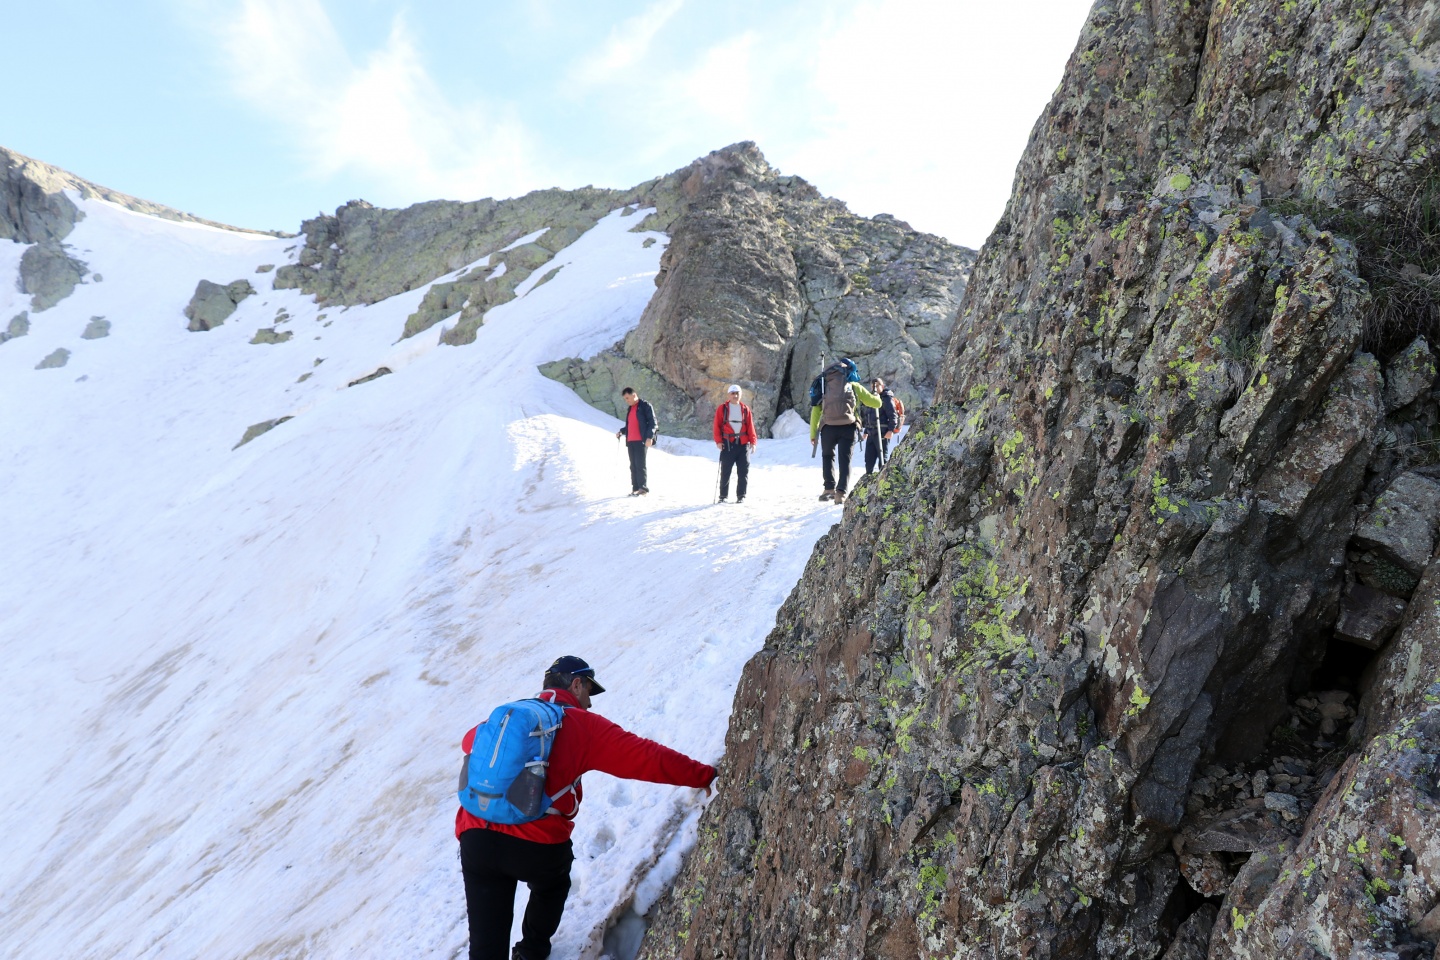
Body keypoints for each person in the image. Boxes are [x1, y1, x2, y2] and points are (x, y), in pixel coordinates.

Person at [456, 656, 716, 960]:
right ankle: (531, 950)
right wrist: (702, 775)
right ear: (575, 684)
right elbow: (645, 757)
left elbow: (467, 743)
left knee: (485, 945)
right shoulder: (580, 725)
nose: (590, 704)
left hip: (476, 836)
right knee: (552, 883)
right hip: (535, 845)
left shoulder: (506, 716)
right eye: (589, 692)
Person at [808, 358, 881, 505]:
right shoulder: (853, 385)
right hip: (848, 426)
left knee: (828, 456)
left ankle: (828, 489)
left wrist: (813, 434)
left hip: (828, 427)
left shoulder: (824, 385)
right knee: (845, 460)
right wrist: (877, 396)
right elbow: (875, 403)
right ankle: (840, 493)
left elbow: (816, 410)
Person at [712, 384, 757, 502]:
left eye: (737, 393)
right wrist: (718, 441)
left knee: (743, 471)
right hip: (728, 444)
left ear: (740, 395)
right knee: (726, 471)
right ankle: (723, 497)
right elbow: (717, 426)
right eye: (733, 393)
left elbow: (750, 427)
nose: (735, 396)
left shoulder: (745, 409)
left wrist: (753, 442)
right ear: (729, 395)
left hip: (743, 444)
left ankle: (741, 496)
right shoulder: (722, 409)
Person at [613, 387, 657, 496]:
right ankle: (635, 488)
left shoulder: (645, 406)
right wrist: (622, 432)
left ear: (634, 395)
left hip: (641, 440)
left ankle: (643, 489)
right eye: (625, 399)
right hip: (631, 441)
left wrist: (649, 437)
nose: (627, 401)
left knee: (640, 465)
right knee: (633, 466)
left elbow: (653, 422)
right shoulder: (630, 409)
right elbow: (630, 425)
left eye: (628, 398)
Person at [860, 377, 901, 476]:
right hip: (871, 432)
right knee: (869, 458)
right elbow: (869, 416)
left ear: (882, 386)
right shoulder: (872, 398)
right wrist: (866, 431)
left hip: (882, 432)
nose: (875, 388)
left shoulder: (886, 398)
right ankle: (868, 478)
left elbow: (892, 415)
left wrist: (890, 430)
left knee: (882, 458)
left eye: (877, 386)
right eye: (873, 386)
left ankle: (883, 478)